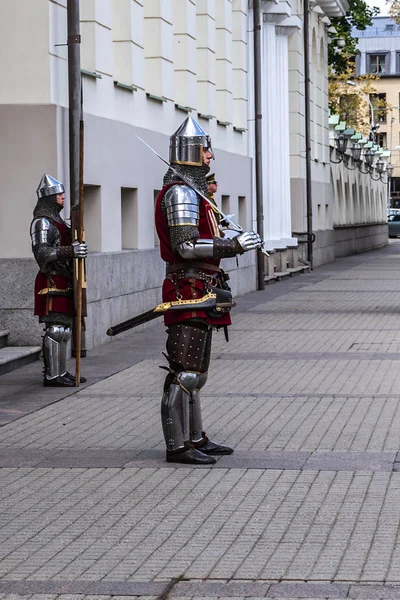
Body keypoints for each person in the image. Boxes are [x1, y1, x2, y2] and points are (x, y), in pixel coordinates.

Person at [155, 116, 263, 464]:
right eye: (205, 150)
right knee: (183, 372)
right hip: (186, 286)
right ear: (190, 152)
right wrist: (233, 246)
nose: (210, 156)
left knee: (196, 375)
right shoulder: (180, 192)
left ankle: (196, 437)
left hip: (201, 286)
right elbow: (186, 246)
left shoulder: (194, 191)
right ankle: (177, 446)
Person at [30, 174, 87, 387]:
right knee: (55, 329)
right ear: (50, 197)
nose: (63, 197)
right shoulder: (41, 223)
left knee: (65, 329)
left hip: (65, 279)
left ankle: (61, 372)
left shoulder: (59, 222)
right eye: (59, 194)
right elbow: (43, 253)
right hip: (51, 280)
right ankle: (52, 375)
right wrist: (70, 251)